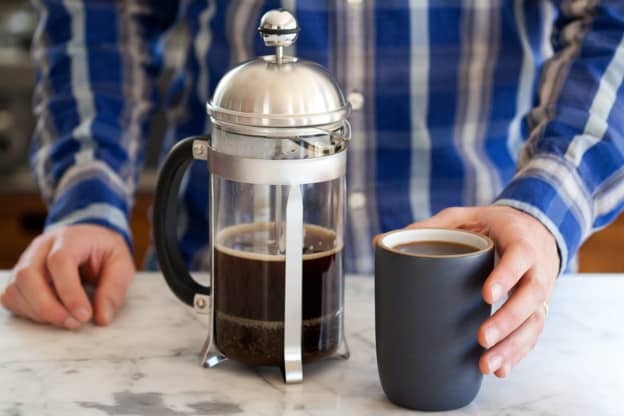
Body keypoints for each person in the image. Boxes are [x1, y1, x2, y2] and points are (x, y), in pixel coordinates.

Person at [1, 1, 623, 380]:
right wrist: (88, 194)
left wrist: (542, 207)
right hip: (193, 323)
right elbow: (101, 13)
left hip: (475, 302)